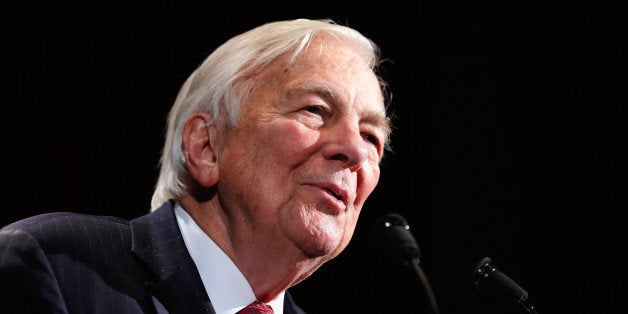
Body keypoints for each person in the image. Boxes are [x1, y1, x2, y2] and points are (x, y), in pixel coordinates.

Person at [1, 18, 392, 313]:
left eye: (372, 137)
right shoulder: (56, 265)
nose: (356, 151)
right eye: (315, 110)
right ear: (207, 146)